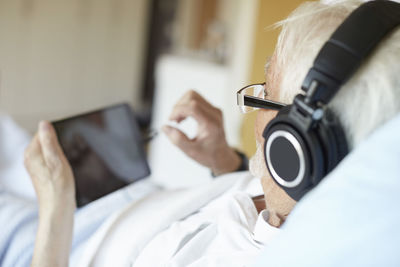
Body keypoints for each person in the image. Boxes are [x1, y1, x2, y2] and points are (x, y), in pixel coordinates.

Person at [1, 0, 400, 266]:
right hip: (134, 202)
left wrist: (56, 211)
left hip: (60, 245)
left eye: (264, 93)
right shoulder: (298, 192)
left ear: (293, 147)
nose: (252, 102)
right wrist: (224, 162)